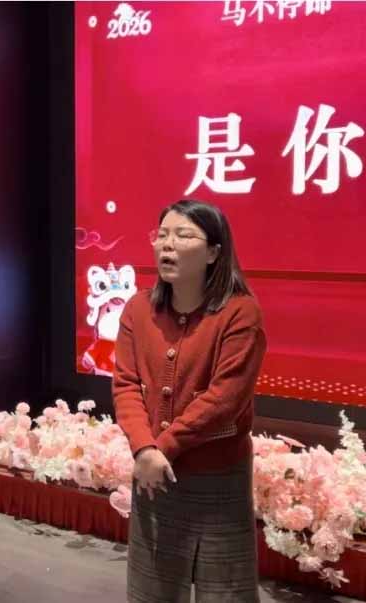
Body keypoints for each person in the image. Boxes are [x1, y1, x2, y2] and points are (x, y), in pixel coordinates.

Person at [113, 199, 266, 602]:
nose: (167, 244)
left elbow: (224, 400)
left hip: (217, 475)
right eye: (162, 234)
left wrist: (161, 448)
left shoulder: (240, 313)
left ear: (214, 252)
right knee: (153, 588)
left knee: (225, 589)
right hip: (153, 473)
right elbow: (126, 385)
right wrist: (144, 449)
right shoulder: (138, 309)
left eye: (183, 235)